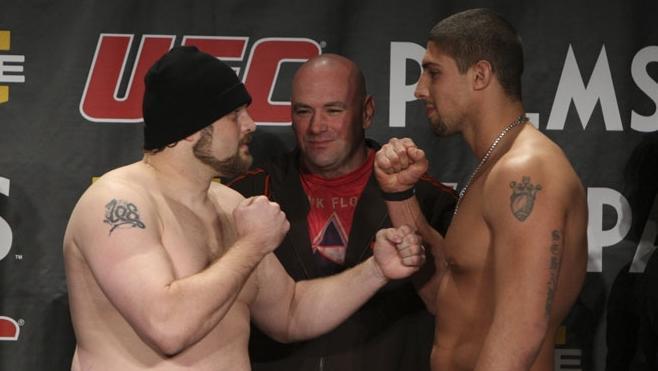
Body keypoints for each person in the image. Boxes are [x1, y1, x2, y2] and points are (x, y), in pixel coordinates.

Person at [63, 46, 427, 371]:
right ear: (191, 129)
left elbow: (290, 312)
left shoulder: (229, 205)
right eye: (234, 114)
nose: (250, 125)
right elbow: (167, 327)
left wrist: (377, 270)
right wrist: (251, 245)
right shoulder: (117, 202)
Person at [374, 9, 588, 371]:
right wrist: (400, 196)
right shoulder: (494, 168)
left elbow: (523, 329)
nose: (420, 89)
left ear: (480, 75)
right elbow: (446, 297)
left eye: (433, 72)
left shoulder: (526, 170)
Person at [229, 53, 456, 371]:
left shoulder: (428, 199)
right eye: (303, 111)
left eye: (333, 110)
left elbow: (452, 308)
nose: (316, 127)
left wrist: (402, 196)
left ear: (366, 112)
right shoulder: (247, 195)